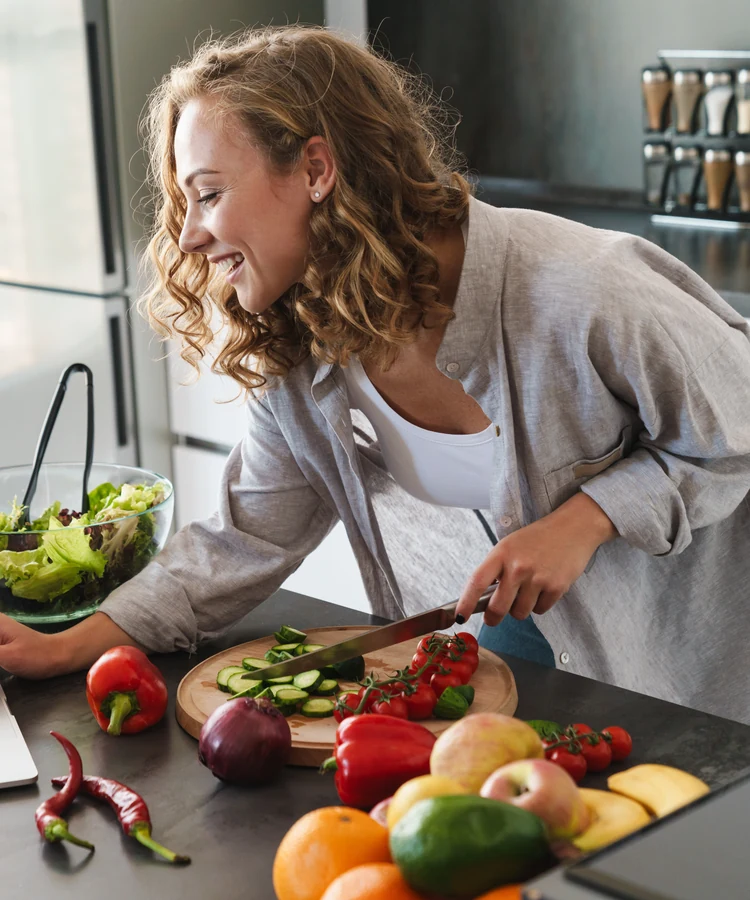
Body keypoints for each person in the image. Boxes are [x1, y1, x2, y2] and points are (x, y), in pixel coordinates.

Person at [2, 25, 750, 723]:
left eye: (208, 193)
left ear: (317, 169)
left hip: (689, 704)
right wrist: (66, 646)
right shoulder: (301, 348)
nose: (191, 234)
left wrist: (588, 519)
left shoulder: (582, 288)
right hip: (500, 696)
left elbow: (736, 427)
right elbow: (243, 540)